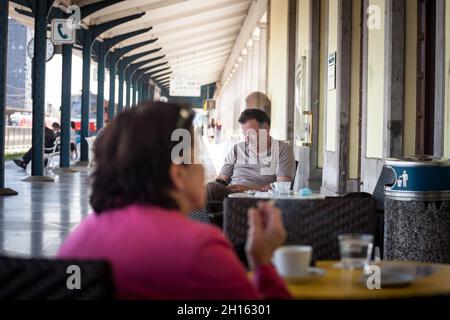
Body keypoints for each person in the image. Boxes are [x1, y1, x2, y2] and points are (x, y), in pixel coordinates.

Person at [57, 102, 291, 300]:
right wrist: (261, 261)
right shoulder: (200, 246)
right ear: (177, 175)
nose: (202, 170)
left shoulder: (79, 239)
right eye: (197, 159)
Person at [206, 108, 296, 202]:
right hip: (230, 197)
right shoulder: (238, 149)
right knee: (204, 189)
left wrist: (249, 189)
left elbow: (282, 186)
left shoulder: (282, 149)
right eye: (244, 134)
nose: (247, 139)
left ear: (266, 129)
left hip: (257, 200)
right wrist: (217, 183)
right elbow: (222, 179)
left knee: (210, 190)